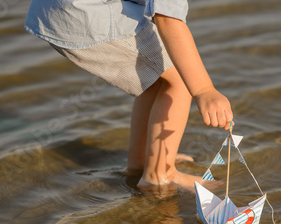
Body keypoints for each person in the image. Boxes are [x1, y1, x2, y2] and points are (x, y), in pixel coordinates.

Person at [24, 0, 233, 191]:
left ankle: (140, 163)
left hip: (57, 8)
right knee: (180, 79)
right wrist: (204, 90)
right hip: (83, 16)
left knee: (155, 75)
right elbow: (169, 21)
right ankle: (159, 175)